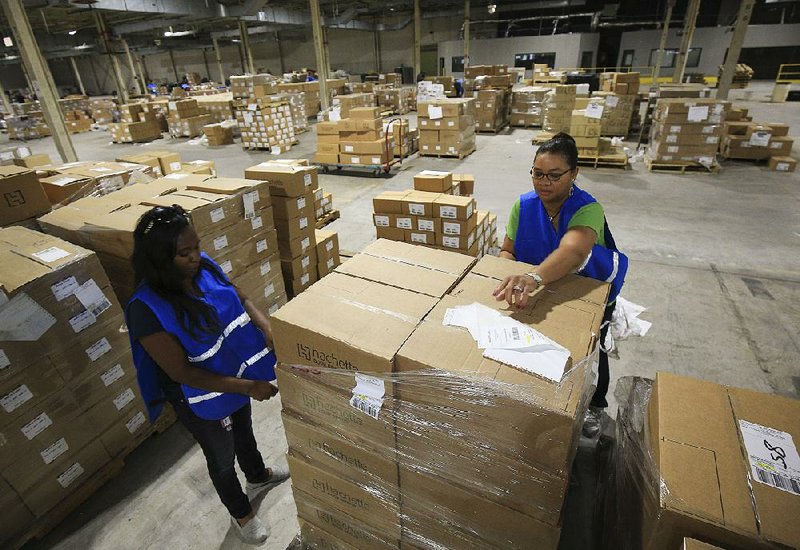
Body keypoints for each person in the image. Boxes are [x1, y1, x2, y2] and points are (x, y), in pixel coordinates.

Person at [126, 205, 288, 545]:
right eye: (184, 253)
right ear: (159, 259)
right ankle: (242, 514)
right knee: (221, 456)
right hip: (197, 393)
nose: (196, 256)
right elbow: (181, 371)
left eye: (196, 246)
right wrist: (248, 386)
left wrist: (265, 323)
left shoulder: (204, 267)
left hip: (230, 374)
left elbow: (239, 295)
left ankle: (257, 476)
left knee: (244, 430)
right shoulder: (146, 310)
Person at [492, 133, 628, 418]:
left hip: (586, 293)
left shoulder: (588, 209)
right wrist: (508, 275)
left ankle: (594, 407)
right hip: (540, 293)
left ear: (574, 173)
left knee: (588, 356)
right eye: (538, 174)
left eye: (554, 175)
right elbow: (507, 250)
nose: (544, 182)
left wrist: (533, 278)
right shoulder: (524, 206)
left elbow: (573, 251)